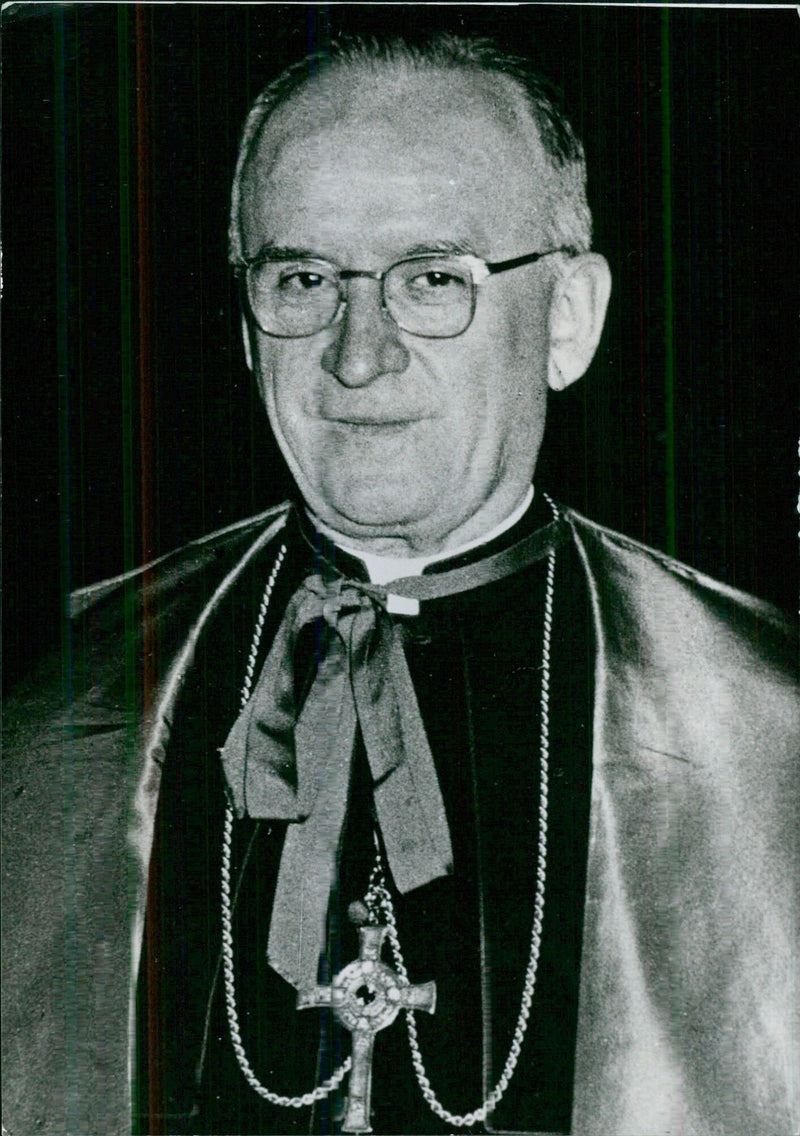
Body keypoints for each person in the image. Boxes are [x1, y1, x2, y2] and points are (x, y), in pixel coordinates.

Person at [2, 33, 798, 1136]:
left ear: (566, 318)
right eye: (302, 279)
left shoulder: (771, 720)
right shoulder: (53, 690)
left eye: (432, 279)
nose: (356, 353)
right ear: (245, 321)